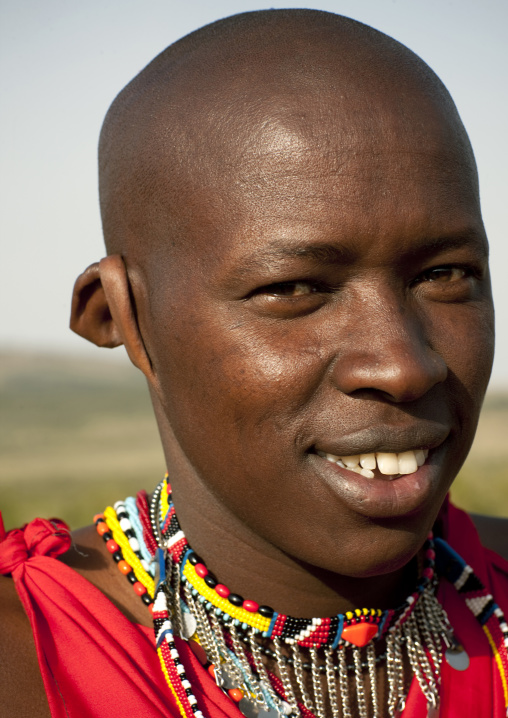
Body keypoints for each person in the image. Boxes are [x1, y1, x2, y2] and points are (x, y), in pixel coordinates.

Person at [1, 9, 507, 718]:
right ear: (126, 318)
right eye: (294, 289)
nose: (402, 365)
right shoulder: (26, 665)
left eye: (446, 275)